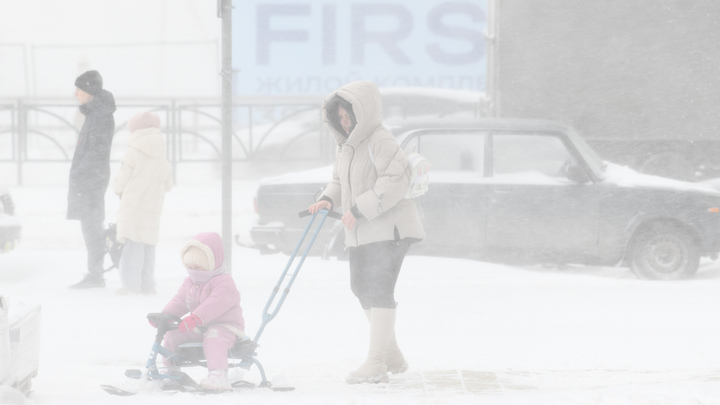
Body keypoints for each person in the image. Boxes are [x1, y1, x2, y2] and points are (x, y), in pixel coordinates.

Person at [307, 81, 425, 384]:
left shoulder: (380, 139)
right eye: (341, 118)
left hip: (391, 229)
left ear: (364, 112)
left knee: (378, 290)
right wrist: (327, 198)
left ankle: (375, 363)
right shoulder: (347, 147)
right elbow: (339, 180)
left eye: (350, 116)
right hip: (362, 230)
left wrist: (359, 208)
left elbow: (396, 178)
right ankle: (393, 356)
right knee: (361, 288)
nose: (346, 123)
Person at [155, 232, 245, 391]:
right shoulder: (190, 281)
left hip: (226, 327)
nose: (193, 271)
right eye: (189, 267)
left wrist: (196, 317)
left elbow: (215, 303)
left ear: (211, 264)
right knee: (172, 335)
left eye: (197, 267)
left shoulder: (224, 282)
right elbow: (180, 300)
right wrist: (164, 316)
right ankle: (170, 370)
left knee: (214, 338)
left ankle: (219, 375)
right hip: (201, 325)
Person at [112, 111, 173, 295]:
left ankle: (131, 287)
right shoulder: (161, 156)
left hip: (133, 206)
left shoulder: (132, 153)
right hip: (153, 208)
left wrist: (117, 188)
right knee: (148, 246)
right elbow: (168, 184)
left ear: (134, 131)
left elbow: (121, 180)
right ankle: (148, 284)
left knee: (132, 246)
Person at [68, 70, 117, 289]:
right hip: (90, 178)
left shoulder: (100, 115)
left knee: (92, 227)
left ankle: (96, 276)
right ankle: (95, 273)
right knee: (91, 225)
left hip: (91, 180)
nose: (76, 93)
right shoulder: (96, 113)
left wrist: (80, 172)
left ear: (89, 91)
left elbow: (97, 151)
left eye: (79, 89)